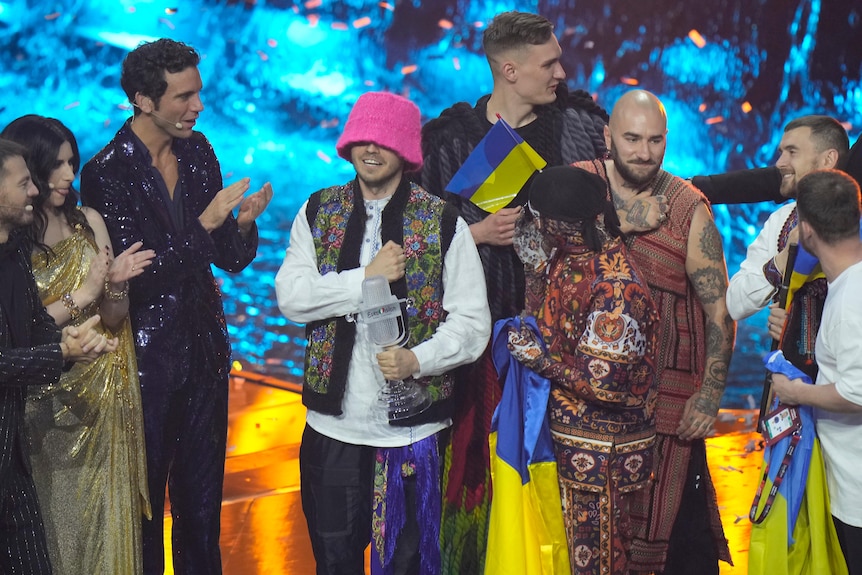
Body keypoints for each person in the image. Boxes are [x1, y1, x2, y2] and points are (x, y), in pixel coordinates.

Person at [418, 12, 616, 572]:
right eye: (549, 62)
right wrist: (474, 234)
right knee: (478, 492)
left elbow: (613, 221)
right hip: (478, 361)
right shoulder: (451, 140)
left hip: (569, 355)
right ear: (510, 69)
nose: (561, 71)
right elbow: (409, 239)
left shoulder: (580, 127)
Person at [275, 91, 490, 575]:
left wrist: (420, 360)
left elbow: (474, 323)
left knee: (407, 564)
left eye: (383, 141)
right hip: (332, 429)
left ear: (406, 152)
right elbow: (291, 297)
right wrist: (366, 278)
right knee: (334, 561)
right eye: (361, 140)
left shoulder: (442, 223)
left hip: (412, 433)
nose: (370, 150)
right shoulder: (318, 211)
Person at [80, 39, 273, 574]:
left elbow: (229, 260)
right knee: (143, 512)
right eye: (183, 97)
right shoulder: (106, 174)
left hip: (205, 355)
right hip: (142, 364)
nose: (197, 106)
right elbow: (133, 282)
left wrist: (242, 224)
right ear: (143, 99)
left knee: (202, 509)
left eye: (198, 93)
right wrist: (205, 227)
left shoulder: (197, 150)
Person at [572, 89, 736, 574]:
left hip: (665, 409)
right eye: (631, 138)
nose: (644, 152)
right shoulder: (577, 187)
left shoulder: (688, 208)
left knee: (674, 544)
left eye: (655, 140)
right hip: (582, 409)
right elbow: (541, 258)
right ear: (607, 137)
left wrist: (709, 395)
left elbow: (719, 312)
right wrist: (617, 221)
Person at [2, 114, 156, 574]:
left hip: (97, 387)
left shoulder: (88, 221)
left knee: (98, 523)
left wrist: (115, 286)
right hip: (38, 398)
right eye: (58, 165)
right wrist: (81, 298)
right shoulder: (14, 245)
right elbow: (22, 335)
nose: (70, 175)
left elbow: (111, 318)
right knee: (48, 525)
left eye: (73, 162)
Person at [506, 165, 659, 574]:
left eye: (537, 216)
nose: (532, 222)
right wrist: (535, 271)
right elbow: (547, 321)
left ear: (560, 223)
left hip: (602, 456)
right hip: (563, 443)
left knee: (596, 563)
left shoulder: (617, 288)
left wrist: (536, 360)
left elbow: (603, 384)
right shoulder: (566, 257)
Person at [771, 169, 862, 575]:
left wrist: (795, 393)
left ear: (806, 230)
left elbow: (856, 393)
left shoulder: (850, 301)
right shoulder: (847, 286)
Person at [725, 115, 849, 380]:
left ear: (828, 159)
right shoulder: (780, 221)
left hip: (848, 403)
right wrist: (784, 259)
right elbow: (735, 304)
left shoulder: (856, 221)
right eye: (781, 153)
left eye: (792, 152)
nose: (780, 163)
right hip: (786, 400)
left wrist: (796, 328)